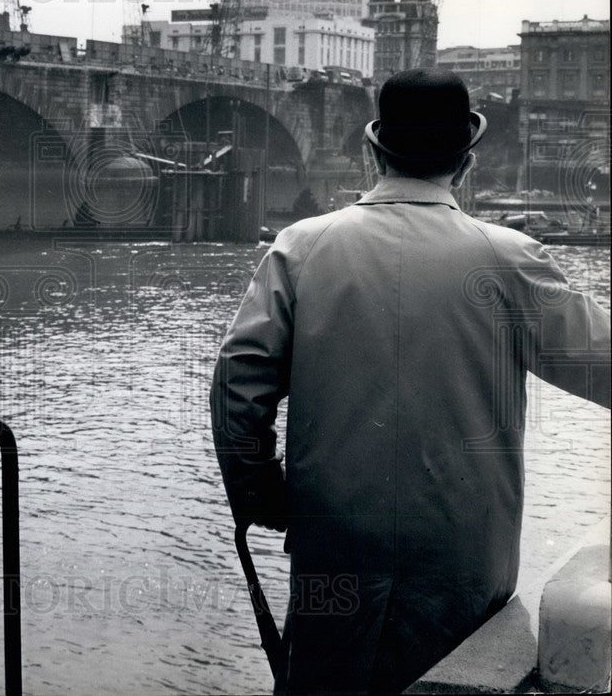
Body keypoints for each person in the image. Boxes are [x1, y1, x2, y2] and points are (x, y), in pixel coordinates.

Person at [210, 69, 610, 695]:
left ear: (374, 151)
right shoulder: (509, 259)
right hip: (461, 555)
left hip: (334, 548)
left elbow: (238, 381)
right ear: (466, 161)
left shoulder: (300, 248)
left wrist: (261, 492)